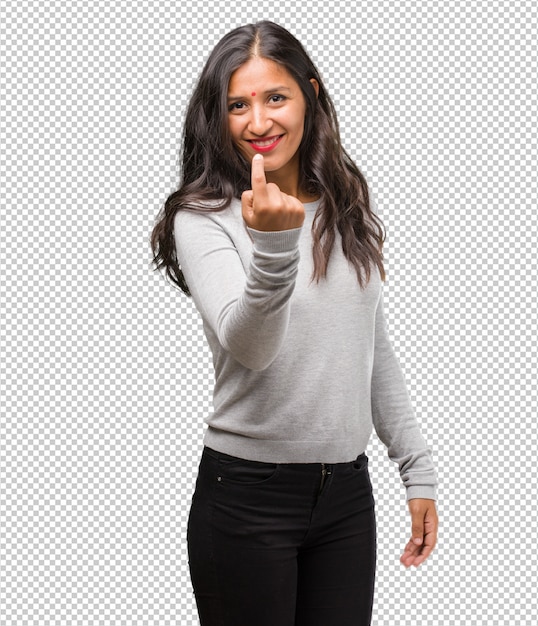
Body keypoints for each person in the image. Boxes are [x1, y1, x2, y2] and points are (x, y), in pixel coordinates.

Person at [151, 20, 438, 626]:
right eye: (238, 104)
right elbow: (249, 346)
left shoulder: (345, 206)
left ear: (309, 93)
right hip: (246, 496)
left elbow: (371, 347)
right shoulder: (203, 217)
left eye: (275, 97)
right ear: (218, 116)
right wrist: (276, 246)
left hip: (346, 501)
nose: (259, 122)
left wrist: (417, 469)